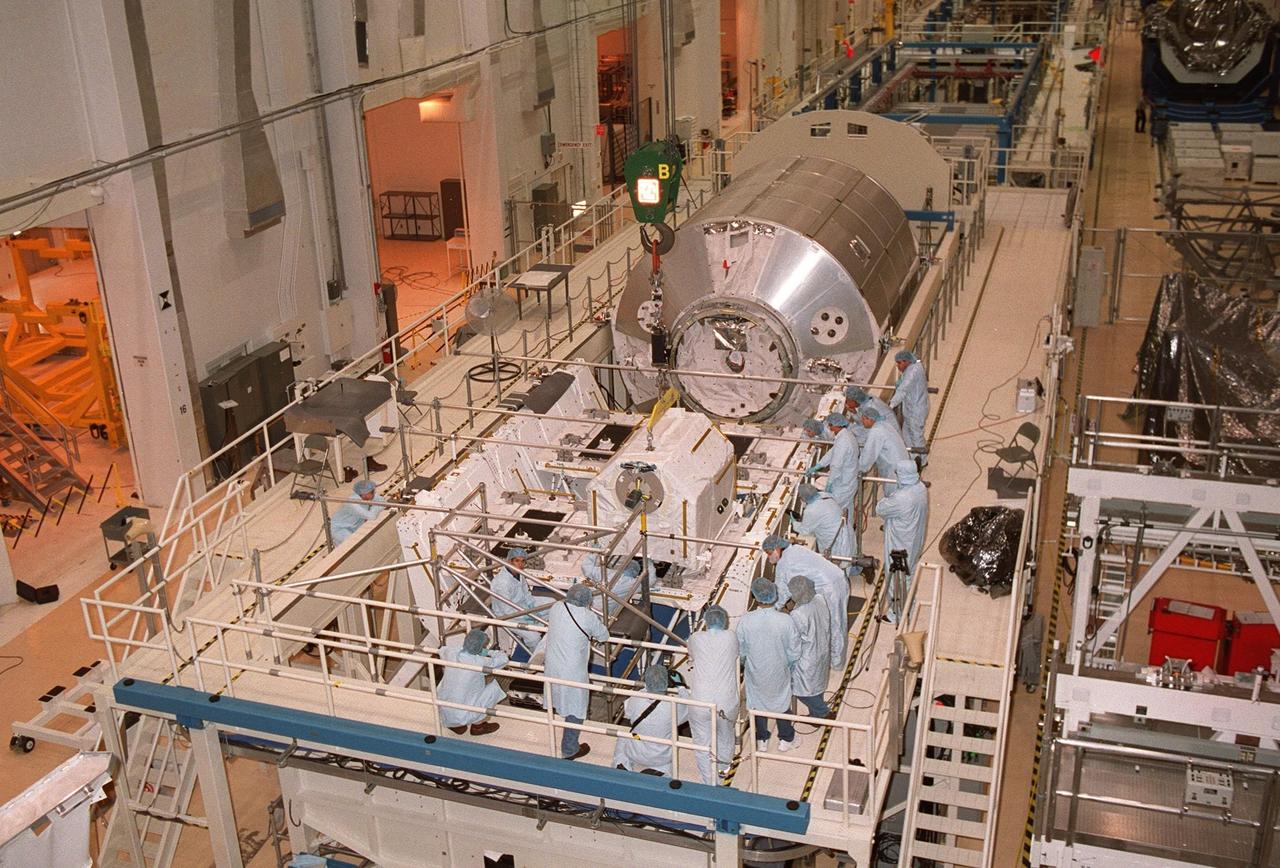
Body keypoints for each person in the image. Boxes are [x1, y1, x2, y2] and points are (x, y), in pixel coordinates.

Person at [763, 535, 849, 668]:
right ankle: (837, 659)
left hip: (830, 588)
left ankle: (836, 663)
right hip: (839, 578)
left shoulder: (784, 564)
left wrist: (772, 609)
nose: (769, 557)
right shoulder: (796, 548)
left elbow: (783, 591)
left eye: (769, 553)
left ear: (777, 548)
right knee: (839, 621)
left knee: (835, 624)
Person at [545, 583, 608, 760]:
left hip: (553, 665)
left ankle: (564, 741)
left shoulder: (556, 607)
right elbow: (604, 635)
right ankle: (569, 748)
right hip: (572, 670)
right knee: (576, 708)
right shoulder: (588, 616)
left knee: (560, 700)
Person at [737, 578, 800, 751]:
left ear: (755, 597)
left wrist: (746, 662)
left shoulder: (745, 621)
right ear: (774, 595)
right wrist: (789, 664)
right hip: (779, 670)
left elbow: (741, 650)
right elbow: (794, 650)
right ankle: (786, 739)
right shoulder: (785, 621)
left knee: (757, 703)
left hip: (755, 671)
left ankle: (762, 739)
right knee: (781, 702)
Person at [688, 605, 740, 784]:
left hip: (700, 700)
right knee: (726, 737)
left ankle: (708, 781)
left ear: (706, 621)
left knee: (702, 743)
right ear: (724, 621)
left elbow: (692, 655)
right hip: (726, 701)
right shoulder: (731, 637)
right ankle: (722, 773)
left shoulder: (695, 638)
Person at [875, 460, 930, 623]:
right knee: (908, 575)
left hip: (900, 545)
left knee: (897, 579)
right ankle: (909, 606)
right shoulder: (920, 488)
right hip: (914, 540)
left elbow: (881, 509)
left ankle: (897, 613)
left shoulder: (901, 497)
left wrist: (892, 494)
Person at [613, 664, 690, 775]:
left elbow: (628, 714)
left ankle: (621, 763)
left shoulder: (635, 697)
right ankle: (661, 770)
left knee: (623, 736)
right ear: (667, 682)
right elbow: (691, 709)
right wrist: (681, 686)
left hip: (637, 743)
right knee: (670, 747)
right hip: (660, 754)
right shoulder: (674, 705)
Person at [438, 628, 507, 736]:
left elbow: (441, 649)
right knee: (494, 689)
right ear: (480, 647)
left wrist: (464, 648)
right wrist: (489, 652)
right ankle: (478, 727)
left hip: (447, 711)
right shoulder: (478, 662)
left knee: (447, 689)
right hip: (464, 712)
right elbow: (503, 660)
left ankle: (456, 726)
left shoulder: (452, 653)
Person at [787, 576, 832, 720]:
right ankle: (816, 715)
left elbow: (794, 641)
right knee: (817, 684)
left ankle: (822, 712)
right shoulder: (820, 599)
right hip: (822, 650)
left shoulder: (797, 614)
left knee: (801, 691)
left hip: (807, 658)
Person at [490, 548, 542, 654]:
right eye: (517, 561)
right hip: (507, 616)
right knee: (534, 637)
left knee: (551, 603)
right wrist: (529, 618)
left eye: (523, 561)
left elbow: (526, 593)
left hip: (521, 607)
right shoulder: (502, 583)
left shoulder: (519, 574)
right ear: (510, 561)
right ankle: (537, 659)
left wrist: (532, 607)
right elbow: (508, 611)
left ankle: (550, 634)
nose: (520, 564)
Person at [806, 413, 860, 510]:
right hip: (846, 479)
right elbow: (832, 452)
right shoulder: (845, 435)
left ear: (836, 425)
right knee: (847, 510)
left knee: (836, 511)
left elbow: (836, 466)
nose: (830, 428)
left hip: (844, 484)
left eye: (831, 425)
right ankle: (849, 525)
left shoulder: (843, 441)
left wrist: (829, 484)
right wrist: (818, 465)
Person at [889, 350, 930, 468]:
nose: (898, 366)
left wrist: (891, 405)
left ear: (906, 361)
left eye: (899, 363)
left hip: (916, 410)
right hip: (912, 409)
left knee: (916, 435)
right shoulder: (914, 366)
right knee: (907, 434)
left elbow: (903, 389)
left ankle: (921, 460)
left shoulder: (913, 371)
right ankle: (911, 458)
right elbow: (902, 383)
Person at [790, 482, 853, 559]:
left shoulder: (811, 510)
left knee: (838, 561)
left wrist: (794, 523)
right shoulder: (826, 496)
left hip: (833, 541)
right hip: (845, 532)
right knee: (849, 557)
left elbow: (805, 530)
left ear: (803, 498)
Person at [857, 407, 911, 495]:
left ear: (870, 419)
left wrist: (858, 470)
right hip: (903, 463)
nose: (862, 422)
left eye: (863, 419)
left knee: (892, 496)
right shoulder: (885, 424)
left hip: (893, 470)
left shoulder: (876, 432)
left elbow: (868, 456)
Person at [329, 479, 385, 545]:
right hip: (341, 529)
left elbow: (382, 501)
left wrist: (376, 506)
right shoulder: (353, 503)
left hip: (355, 525)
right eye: (372, 492)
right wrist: (376, 506)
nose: (374, 493)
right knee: (353, 544)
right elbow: (371, 516)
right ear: (364, 493)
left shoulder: (366, 496)